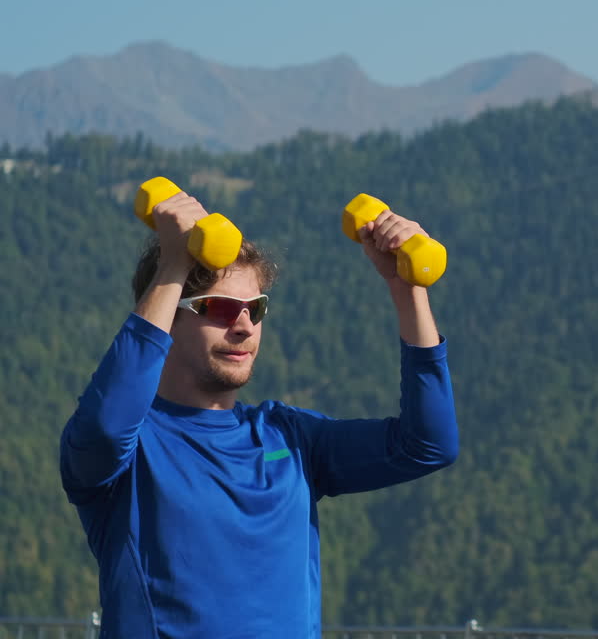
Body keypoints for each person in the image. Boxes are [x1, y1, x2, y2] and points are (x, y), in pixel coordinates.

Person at [60, 190, 459, 638]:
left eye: (256, 308)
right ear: (168, 315)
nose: (245, 325)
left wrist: (409, 294)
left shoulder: (290, 438)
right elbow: (105, 428)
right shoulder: (130, 450)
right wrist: (173, 265)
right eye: (220, 309)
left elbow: (428, 446)